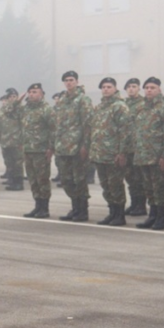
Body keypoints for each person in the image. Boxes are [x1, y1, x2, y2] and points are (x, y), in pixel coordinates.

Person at [133, 77, 164, 230]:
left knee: (160, 189)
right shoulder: (141, 108)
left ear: (159, 90)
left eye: (152, 87)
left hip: (158, 157)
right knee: (148, 188)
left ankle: (160, 218)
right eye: (147, 88)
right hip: (143, 156)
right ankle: (152, 216)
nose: (149, 90)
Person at [89, 77, 131, 226]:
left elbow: (125, 131)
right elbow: (95, 130)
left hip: (114, 155)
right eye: (104, 87)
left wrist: (122, 152)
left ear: (115, 88)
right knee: (106, 186)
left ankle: (120, 215)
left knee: (116, 185)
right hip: (100, 154)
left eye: (109, 87)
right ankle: (112, 213)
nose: (106, 89)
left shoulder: (120, 106)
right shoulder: (100, 107)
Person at [54, 71, 93, 221]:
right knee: (66, 180)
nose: (69, 83)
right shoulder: (63, 100)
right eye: (66, 80)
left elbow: (88, 124)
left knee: (80, 180)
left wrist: (85, 146)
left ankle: (83, 210)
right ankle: (75, 207)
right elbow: (59, 125)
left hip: (77, 148)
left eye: (71, 80)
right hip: (63, 148)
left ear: (77, 82)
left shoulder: (83, 100)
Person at [21, 83, 56, 218]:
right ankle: (37, 206)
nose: (32, 94)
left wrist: (51, 148)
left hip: (41, 151)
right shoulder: (26, 109)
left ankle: (45, 208)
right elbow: (8, 112)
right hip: (28, 149)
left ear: (42, 94)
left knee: (42, 180)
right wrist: (19, 99)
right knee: (33, 180)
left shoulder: (47, 110)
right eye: (30, 92)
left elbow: (53, 130)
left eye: (35, 92)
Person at [122, 78, 147, 215]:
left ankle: (141, 206)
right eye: (129, 86)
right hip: (127, 148)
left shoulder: (143, 104)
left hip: (139, 148)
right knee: (130, 178)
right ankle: (134, 203)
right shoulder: (123, 104)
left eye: (134, 86)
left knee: (139, 179)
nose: (131, 89)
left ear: (139, 88)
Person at [0, 88, 25, 191]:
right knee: (9, 162)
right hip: (6, 140)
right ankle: (12, 180)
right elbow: (6, 111)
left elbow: (23, 125)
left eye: (15, 96)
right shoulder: (5, 108)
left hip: (16, 140)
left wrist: (22, 140)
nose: (13, 98)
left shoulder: (21, 108)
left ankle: (18, 183)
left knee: (17, 163)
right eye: (10, 97)